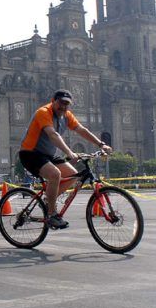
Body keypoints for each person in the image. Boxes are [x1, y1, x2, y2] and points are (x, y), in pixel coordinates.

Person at [18, 89, 112, 229]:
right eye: (61, 103)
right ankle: (51, 214)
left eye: (66, 104)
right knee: (55, 174)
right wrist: (69, 152)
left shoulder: (66, 115)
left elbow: (81, 130)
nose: (63, 106)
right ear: (53, 101)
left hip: (48, 155)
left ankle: (47, 201)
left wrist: (101, 144)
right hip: (30, 153)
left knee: (73, 175)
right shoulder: (43, 112)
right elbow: (53, 135)